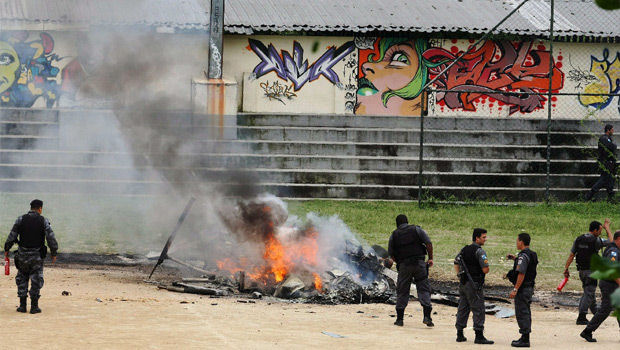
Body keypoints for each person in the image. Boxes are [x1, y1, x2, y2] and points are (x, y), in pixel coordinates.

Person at [4, 199, 58, 314]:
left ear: (31, 208)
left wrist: (7, 249)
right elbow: (51, 238)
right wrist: (54, 252)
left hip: (22, 255)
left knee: (22, 278)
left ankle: (22, 306)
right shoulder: (44, 221)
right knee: (36, 279)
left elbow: (12, 236)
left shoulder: (20, 219)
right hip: (36, 256)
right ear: (40, 209)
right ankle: (34, 307)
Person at [387, 214, 434, 327]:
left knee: (402, 291)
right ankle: (427, 317)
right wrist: (430, 258)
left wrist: (395, 261)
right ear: (407, 222)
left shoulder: (394, 234)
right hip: (419, 264)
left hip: (404, 266)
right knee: (423, 290)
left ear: (397, 224)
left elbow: (391, 255)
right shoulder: (417, 230)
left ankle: (399, 319)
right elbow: (428, 243)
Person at [563, 219, 613, 324]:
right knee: (589, 293)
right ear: (595, 230)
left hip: (581, 271)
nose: (600, 232)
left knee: (589, 291)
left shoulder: (579, 239)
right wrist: (607, 228)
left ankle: (596, 313)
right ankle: (581, 317)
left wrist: (566, 268)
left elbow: (572, 255)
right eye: (599, 230)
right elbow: (612, 242)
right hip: (592, 271)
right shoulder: (596, 241)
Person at [454, 228, 494, 344]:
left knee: (463, 308)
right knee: (478, 309)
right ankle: (479, 335)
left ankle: (460, 334)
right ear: (477, 238)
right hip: (474, 284)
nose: (485, 239)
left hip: (464, 283)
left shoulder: (464, 249)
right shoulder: (480, 252)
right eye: (484, 237)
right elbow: (486, 270)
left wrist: (459, 275)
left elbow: (456, 262)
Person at [580, 230, 620, 342]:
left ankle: (588, 331)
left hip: (612, 284)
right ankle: (587, 331)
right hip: (609, 284)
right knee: (605, 309)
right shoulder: (613, 251)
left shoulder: (615, 248)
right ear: (619, 239)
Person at [507, 233, 538, 348]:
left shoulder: (523, 256)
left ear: (521, 241)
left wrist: (515, 289)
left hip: (523, 288)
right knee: (526, 311)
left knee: (522, 312)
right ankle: (525, 336)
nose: (516, 243)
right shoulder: (531, 254)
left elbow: (521, 273)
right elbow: (528, 265)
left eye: (517, 240)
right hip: (529, 287)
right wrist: (515, 259)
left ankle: (525, 339)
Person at [584, 124, 617, 202]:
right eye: (612, 129)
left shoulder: (608, 138)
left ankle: (611, 198)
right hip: (606, 163)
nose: (613, 131)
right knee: (604, 180)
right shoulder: (604, 138)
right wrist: (613, 146)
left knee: (610, 180)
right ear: (608, 130)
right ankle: (589, 196)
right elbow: (612, 147)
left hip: (609, 163)